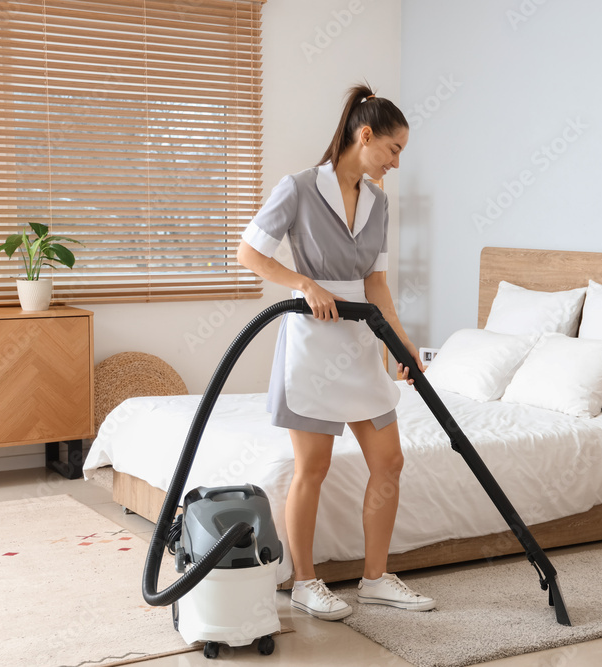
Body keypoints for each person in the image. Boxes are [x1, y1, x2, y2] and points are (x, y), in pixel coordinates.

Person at [236, 83, 434, 620]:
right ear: (364, 135)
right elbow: (249, 252)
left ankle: (375, 578)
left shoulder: (379, 203)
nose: (396, 162)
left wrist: (402, 340)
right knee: (314, 468)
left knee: (389, 459)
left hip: (361, 341)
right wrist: (305, 283)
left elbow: (376, 283)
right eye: (393, 149)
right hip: (313, 344)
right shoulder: (299, 188)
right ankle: (305, 582)